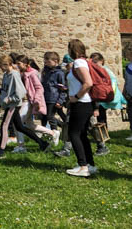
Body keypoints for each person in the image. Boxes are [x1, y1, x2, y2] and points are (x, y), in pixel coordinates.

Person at [0, 55, 49, 160]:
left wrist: (9, 99)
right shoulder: (6, 75)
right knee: (20, 127)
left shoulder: (14, 75)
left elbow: (21, 93)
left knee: (4, 125)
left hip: (13, 105)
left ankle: (1, 150)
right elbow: (7, 89)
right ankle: (42, 143)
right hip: (8, 104)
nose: (0, 67)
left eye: (2, 65)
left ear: (8, 64)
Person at [64, 40, 96, 177]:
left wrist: (75, 97)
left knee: (74, 134)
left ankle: (83, 166)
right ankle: (90, 164)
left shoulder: (78, 62)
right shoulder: (83, 62)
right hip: (85, 103)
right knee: (82, 134)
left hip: (81, 102)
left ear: (73, 50)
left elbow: (88, 83)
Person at [89, 52, 126, 156]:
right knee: (101, 118)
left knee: (101, 118)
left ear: (102, 61)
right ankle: (103, 136)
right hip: (100, 97)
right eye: (93, 62)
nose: (94, 64)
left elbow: (112, 82)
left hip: (103, 97)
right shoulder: (98, 70)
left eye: (96, 62)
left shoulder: (105, 70)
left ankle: (103, 137)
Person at [16, 55, 55, 142]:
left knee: (18, 123)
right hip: (24, 101)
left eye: (19, 63)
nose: (17, 65)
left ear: (25, 64)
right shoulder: (21, 73)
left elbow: (39, 88)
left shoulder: (32, 74)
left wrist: (36, 100)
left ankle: (21, 145)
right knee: (30, 124)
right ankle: (52, 133)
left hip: (29, 101)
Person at [40, 51, 66, 144]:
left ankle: (55, 133)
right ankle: (46, 135)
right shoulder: (45, 72)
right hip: (45, 97)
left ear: (55, 61)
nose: (46, 63)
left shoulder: (59, 73)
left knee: (50, 116)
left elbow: (63, 88)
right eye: (45, 60)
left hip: (54, 98)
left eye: (48, 61)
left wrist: (60, 100)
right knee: (44, 117)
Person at [124, 61, 132, 141]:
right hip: (130, 94)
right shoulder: (127, 67)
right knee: (130, 113)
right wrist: (124, 91)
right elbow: (126, 81)